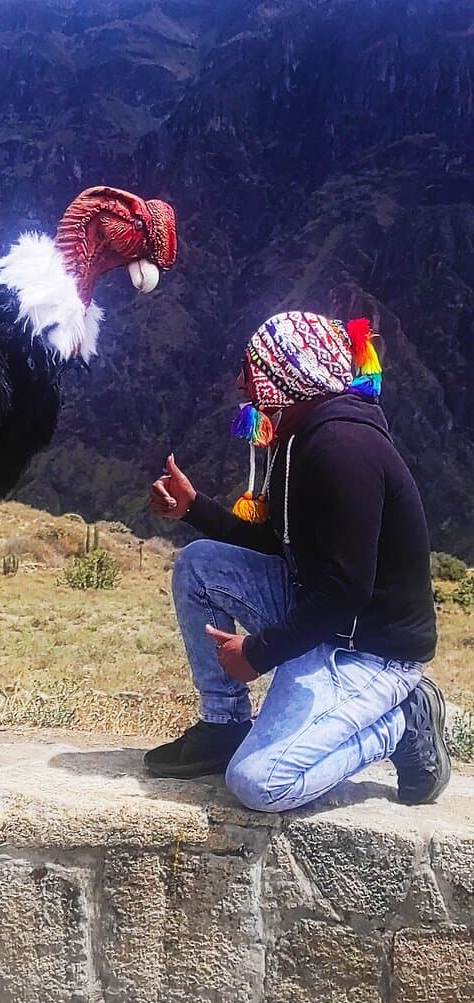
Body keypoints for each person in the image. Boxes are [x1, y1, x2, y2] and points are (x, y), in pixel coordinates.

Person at [146, 311, 449, 811]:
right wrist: (193, 508)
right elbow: (276, 542)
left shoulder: (342, 450)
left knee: (258, 783)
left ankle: (401, 722)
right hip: (324, 614)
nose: (243, 381)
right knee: (200, 564)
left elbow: (347, 589)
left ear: (288, 376)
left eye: (253, 368)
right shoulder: (301, 437)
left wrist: (259, 652)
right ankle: (224, 726)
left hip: (370, 650)